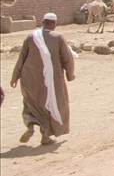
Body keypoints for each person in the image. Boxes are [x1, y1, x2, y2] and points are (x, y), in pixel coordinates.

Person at [10, 13, 75, 145]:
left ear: (43, 23)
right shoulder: (58, 37)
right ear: (54, 24)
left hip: (29, 77)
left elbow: (22, 57)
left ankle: (30, 126)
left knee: (30, 102)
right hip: (50, 79)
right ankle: (45, 135)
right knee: (50, 104)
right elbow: (67, 58)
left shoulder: (31, 36)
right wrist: (70, 75)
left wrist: (15, 77)